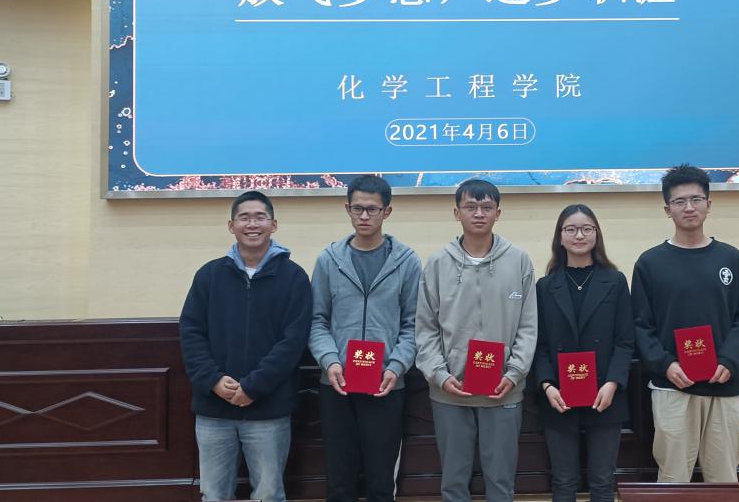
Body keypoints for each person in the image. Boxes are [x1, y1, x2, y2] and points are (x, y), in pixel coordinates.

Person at [631, 164, 739, 483]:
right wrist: (665, 365)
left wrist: (729, 360)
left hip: (723, 385)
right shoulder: (650, 263)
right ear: (667, 209)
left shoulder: (731, 259)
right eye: (679, 201)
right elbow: (640, 325)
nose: (689, 207)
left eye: (696, 199)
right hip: (672, 386)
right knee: (673, 477)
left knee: (724, 478)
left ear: (708, 204)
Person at [179, 190, 312, 502]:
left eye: (260, 217)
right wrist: (213, 380)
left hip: (268, 408)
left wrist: (254, 386)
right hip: (214, 408)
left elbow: (293, 342)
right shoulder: (209, 275)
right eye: (244, 217)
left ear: (273, 225)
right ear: (231, 226)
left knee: (268, 493)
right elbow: (191, 332)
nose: (252, 224)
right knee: (214, 494)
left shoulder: (294, 277)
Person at [415, 179, 538, 502]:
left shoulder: (519, 260)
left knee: (501, 482)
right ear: (457, 213)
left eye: (486, 207)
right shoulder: (438, 263)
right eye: (471, 207)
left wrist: (514, 373)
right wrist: (440, 375)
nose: (479, 214)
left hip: (503, 390)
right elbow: (425, 329)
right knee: (453, 483)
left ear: (498, 213)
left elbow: (528, 326)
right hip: (450, 391)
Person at [309, 175, 422, 502]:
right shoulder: (329, 260)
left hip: (386, 385)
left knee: (381, 480)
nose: (364, 216)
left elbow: (414, 324)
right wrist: (330, 361)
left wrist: (396, 366)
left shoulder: (407, 262)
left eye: (372, 209)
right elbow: (317, 320)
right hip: (337, 384)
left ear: (387, 212)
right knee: (339, 479)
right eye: (357, 208)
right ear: (347, 209)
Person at [534, 204, 635, 502]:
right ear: (560, 236)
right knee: (563, 481)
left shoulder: (615, 281)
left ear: (596, 234)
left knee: (603, 482)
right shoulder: (545, 286)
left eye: (586, 229)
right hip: (559, 396)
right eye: (571, 229)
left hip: (605, 394)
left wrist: (612, 383)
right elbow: (539, 344)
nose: (579, 235)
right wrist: (547, 385)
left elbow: (625, 341)